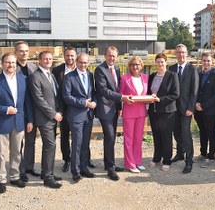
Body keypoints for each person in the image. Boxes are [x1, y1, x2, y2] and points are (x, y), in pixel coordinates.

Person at [0, 52, 33, 194]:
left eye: (13, 62)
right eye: (8, 62)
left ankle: (15, 176)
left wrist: (29, 120)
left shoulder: (23, 79)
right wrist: (5, 109)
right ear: (2, 64)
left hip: (19, 122)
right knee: (1, 154)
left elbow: (27, 102)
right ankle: (1, 180)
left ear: (16, 64)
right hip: (2, 122)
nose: (11, 65)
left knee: (17, 152)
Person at [52, 47, 96, 172]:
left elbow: (91, 92)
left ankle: (85, 161)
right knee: (67, 136)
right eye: (68, 55)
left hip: (83, 111)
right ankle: (68, 161)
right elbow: (58, 92)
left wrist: (92, 103)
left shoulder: (88, 74)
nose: (70, 58)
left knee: (84, 139)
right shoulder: (58, 71)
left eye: (72, 56)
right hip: (64, 108)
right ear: (64, 56)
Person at [94, 46, 132, 181]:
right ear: (105, 56)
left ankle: (109, 163)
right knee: (109, 136)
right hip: (105, 109)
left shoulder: (116, 68)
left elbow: (117, 88)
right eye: (109, 55)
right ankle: (110, 168)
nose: (112, 58)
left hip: (114, 108)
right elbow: (104, 90)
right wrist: (122, 98)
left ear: (117, 57)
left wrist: (119, 105)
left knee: (112, 137)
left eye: (114, 56)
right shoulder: (100, 70)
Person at [29, 51, 63, 189]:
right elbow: (39, 99)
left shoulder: (51, 75)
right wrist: (53, 114)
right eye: (45, 59)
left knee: (48, 146)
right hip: (44, 118)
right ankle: (48, 178)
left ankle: (46, 172)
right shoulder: (35, 76)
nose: (48, 61)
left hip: (54, 116)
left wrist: (60, 110)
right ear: (39, 61)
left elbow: (56, 95)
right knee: (50, 145)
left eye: (50, 59)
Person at [62, 53, 96, 182]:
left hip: (88, 115)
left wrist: (95, 102)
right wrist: (84, 103)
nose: (83, 65)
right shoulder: (69, 77)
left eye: (86, 63)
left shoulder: (90, 75)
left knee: (85, 144)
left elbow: (93, 93)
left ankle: (84, 168)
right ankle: (75, 171)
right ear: (76, 62)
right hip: (75, 115)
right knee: (77, 143)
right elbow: (66, 97)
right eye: (81, 62)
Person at [169, 43, 199, 174]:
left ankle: (189, 161)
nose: (181, 54)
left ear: (186, 54)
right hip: (173, 108)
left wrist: (191, 107)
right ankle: (180, 153)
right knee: (176, 132)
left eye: (183, 52)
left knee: (186, 134)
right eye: (178, 52)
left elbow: (195, 90)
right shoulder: (171, 68)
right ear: (175, 54)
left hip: (186, 108)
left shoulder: (192, 69)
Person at [148, 53, 179, 171]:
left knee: (166, 136)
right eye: (158, 61)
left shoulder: (172, 76)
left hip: (167, 111)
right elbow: (148, 92)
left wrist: (160, 99)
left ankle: (167, 160)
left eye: (162, 61)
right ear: (155, 63)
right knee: (156, 135)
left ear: (166, 63)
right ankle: (156, 158)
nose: (160, 64)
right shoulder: (152, 76)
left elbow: (175, 94)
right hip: (154, 111)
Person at [14, 41, 40, 182]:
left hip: (32, 111)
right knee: (18, 143)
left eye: (26, 50)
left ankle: (29, 167)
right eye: (21, 51)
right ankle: (20, 170)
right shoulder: (12, 68)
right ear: (16, 53)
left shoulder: (33, 67)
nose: (24, 53)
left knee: (31, 141)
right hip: (18, 111)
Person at [119, 56, 149, 173]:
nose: (135, 67)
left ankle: (137, 161)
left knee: (138, 139)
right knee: (129, 139)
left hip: (141, 112)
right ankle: (130, 163)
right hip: (129, 112)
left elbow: (147, 93)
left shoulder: (145, 78)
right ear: (129, 67)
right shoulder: (124, 78)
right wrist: (125, 98)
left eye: (137, 64)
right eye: (133, 65)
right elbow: (120, 94)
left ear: (141, 66)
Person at [194, 53, 215, 168]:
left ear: (213, 62)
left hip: (210, 111)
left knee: (211, 133)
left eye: (208, 61)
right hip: (198, 110)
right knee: (202, 132)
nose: (206, 63)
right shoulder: (199, 74)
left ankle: (210, 156)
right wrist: (196, 104)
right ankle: (203, 153)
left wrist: (204, 106)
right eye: (204, 60)